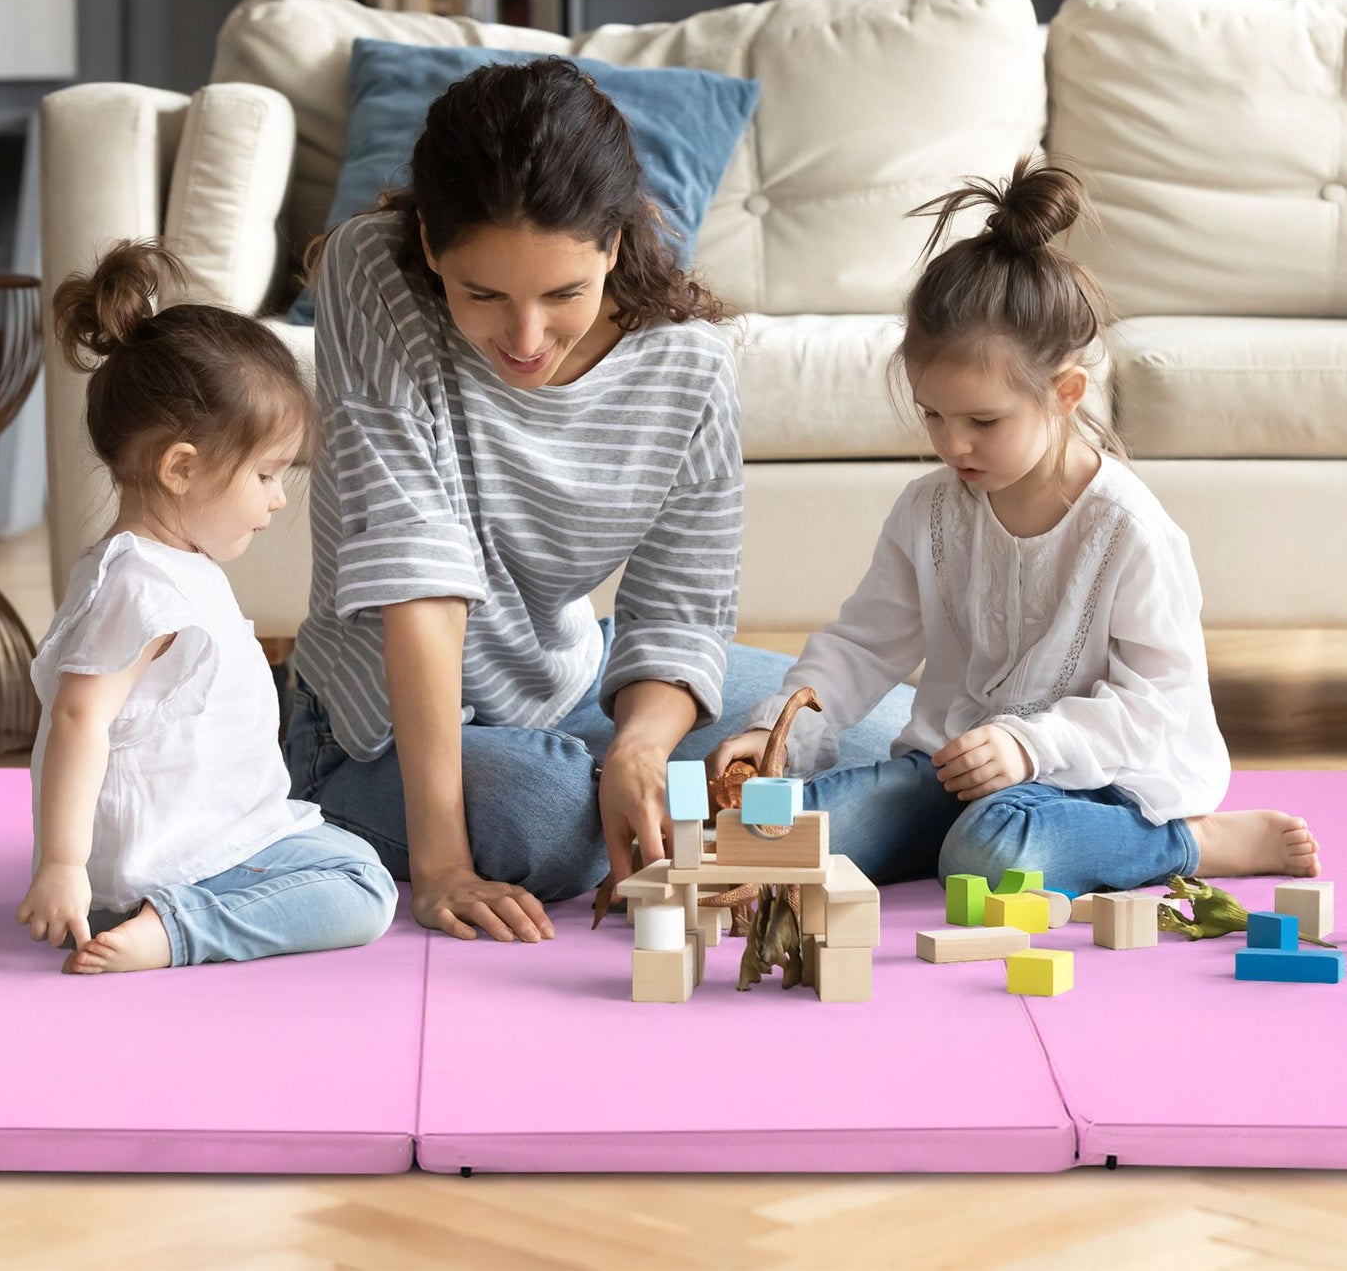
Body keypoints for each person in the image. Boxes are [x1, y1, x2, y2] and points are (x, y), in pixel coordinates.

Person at [285, 56, 914, 942]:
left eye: (563, 293)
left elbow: (679, 612)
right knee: (548, 817)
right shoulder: (372, 274)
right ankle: (640, 810)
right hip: (379, 721)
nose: (525, 337)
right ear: (430, 245)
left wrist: (641, 744)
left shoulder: (687, 365)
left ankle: (644, 788)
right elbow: (414, 566)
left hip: (572, 677)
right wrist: (441, 867)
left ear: (614, 244)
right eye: (483, 295)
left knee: (897, 734)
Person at [708, 159, 1320, 897]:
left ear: (1064, 394)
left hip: (1094, 784)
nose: (951, 444)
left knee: (990, 853)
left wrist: (1028, 744)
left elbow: (1157, 704)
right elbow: (863, 644)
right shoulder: (926, 511)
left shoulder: (1126, 529)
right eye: (932, 413)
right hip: (954, 769)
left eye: (983, 421)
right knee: (775, 830)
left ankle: (1185, 840)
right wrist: (781, 732)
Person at [17, 242, 397, 973]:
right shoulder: (139, 583)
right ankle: (177, 930)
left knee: (350, 852)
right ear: (181, 467)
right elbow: (76, 716)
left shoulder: (170, 561)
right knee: (364, 887)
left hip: (204, 832)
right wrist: (64, 862)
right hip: (174, 860)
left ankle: (164, 914)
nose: (278, 498)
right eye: (263, 475)